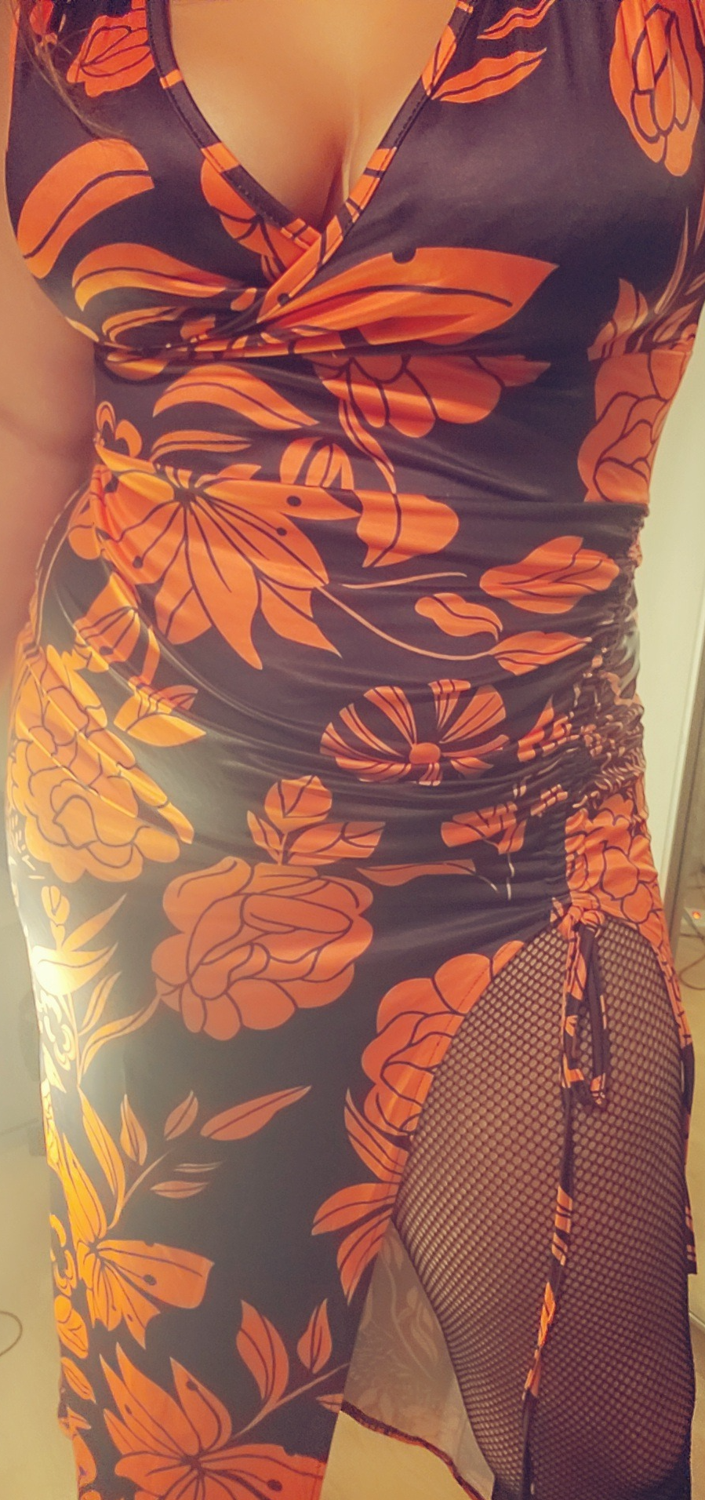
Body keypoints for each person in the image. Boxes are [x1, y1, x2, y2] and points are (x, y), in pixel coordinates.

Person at [0, 1, 700, 1496]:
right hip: (132, 838)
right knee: (182, 1421)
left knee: (599, 1424)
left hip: (526, 841)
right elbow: (29, 426)